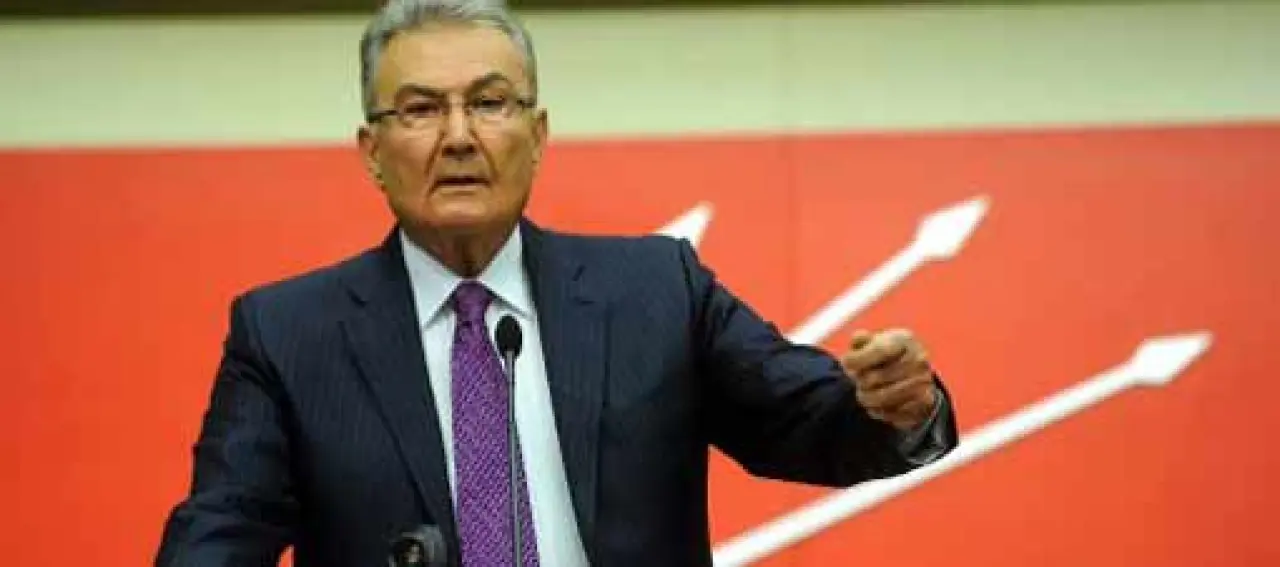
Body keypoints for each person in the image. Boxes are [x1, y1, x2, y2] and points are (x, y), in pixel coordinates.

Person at [154, 1, 959, 566]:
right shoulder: (289, 333)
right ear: (371, 150)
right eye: (422, 110)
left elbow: (808, 419)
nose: (459, 136)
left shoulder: (655, 290)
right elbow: (222, 527)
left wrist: (896, 406)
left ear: (537, 136)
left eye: (489, 103)